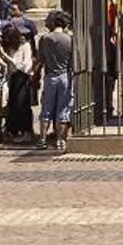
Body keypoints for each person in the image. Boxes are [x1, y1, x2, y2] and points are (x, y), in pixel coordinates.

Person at [36, 10, 77, 153]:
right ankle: (60, 140)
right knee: (63, 109)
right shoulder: (70, 39)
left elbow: (40, 59)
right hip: (65, 76)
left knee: (46, 109)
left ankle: (42, 139)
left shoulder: (45, 39)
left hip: (50, 76)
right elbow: (73, 61)